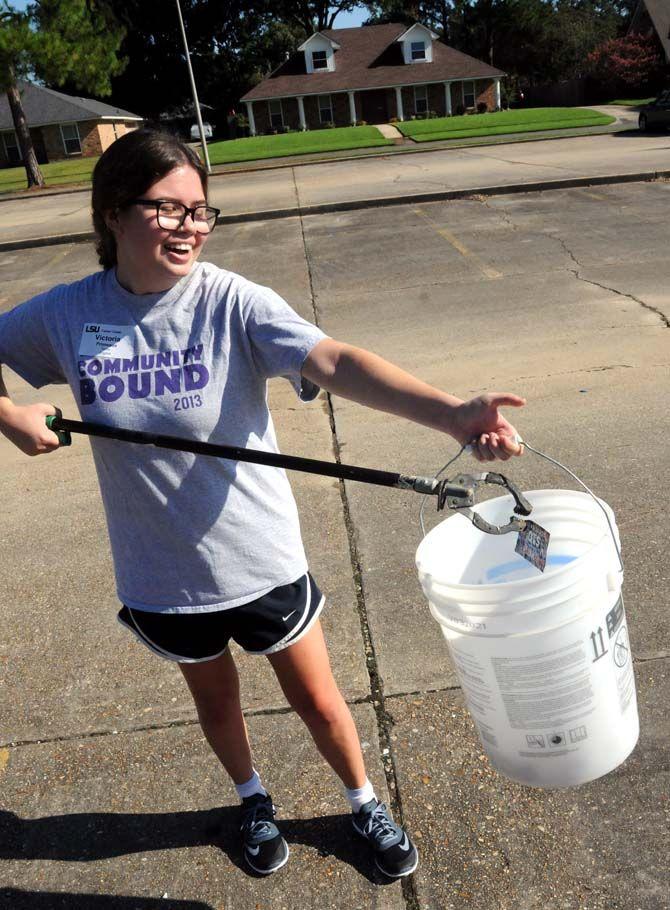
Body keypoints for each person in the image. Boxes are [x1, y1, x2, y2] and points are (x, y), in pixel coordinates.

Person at [0, 129, 524, 879]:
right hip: (161, 574)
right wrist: (11, 414)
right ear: (113, 212)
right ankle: (251, 799)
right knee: (218, 707)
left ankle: (363, 800)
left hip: (259, 558)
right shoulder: (65, 314)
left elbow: (335, 360)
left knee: (319, 700)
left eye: (202, 211)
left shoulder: (231, 301)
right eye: (169, 208)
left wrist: (452, 413)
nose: (191, 226)